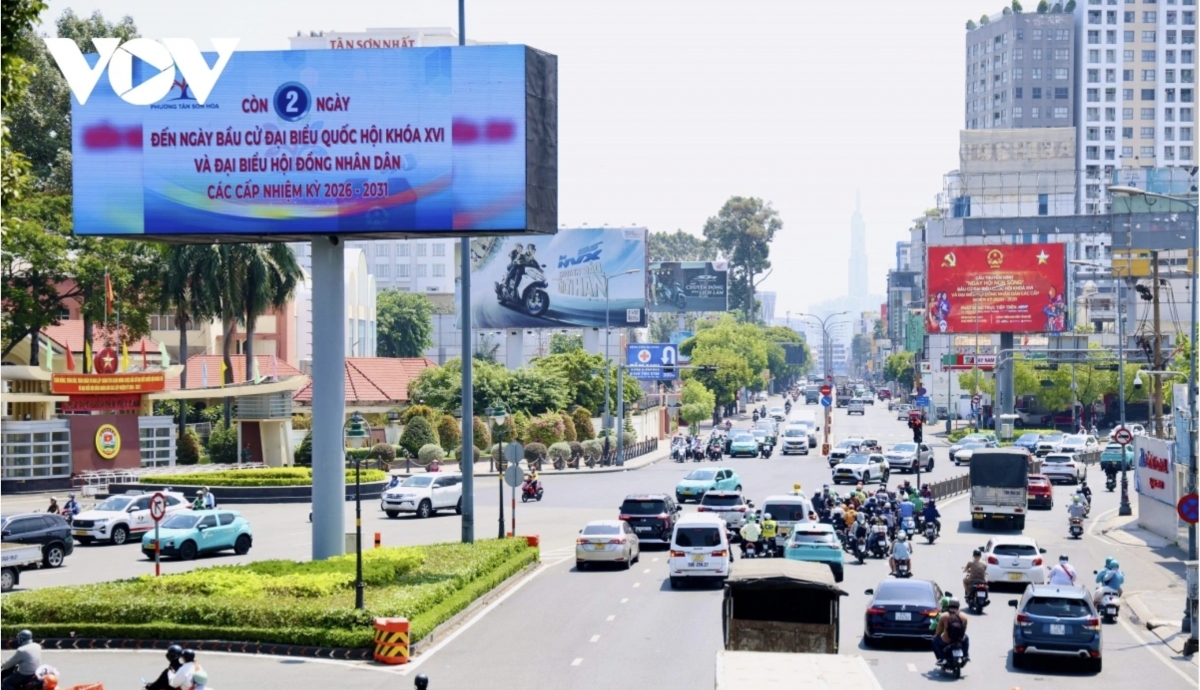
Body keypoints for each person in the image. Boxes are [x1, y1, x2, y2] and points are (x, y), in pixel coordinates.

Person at [932, 599, 970, 665]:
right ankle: (965, 656)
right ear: (958, 606)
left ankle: (942, 658)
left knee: (934, 641)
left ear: (949, 606)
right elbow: (964, 629)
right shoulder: (964, 616)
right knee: (967, 638)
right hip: (960, 639)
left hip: (947, 640)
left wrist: (936, 635)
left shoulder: (944, 616)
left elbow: (939, 629)